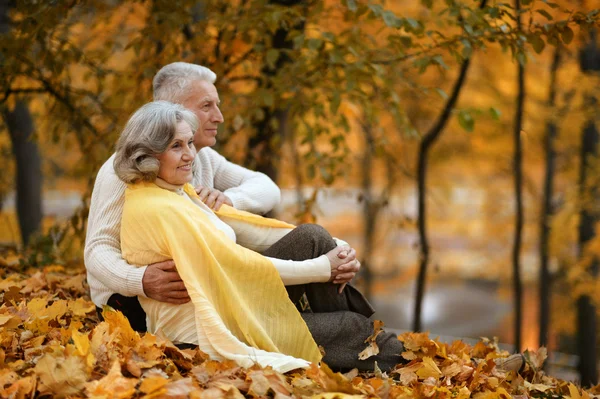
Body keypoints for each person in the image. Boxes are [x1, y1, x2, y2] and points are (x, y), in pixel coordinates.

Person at [112, 101, 405, 373]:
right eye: (176, 146)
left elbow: (251, 229)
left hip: (233, 298)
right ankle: (390, 351)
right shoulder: (160, 208)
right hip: (214, 327)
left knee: (311, 238)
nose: (190, 154)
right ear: (148, 155)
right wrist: (323, 269)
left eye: (189, 142)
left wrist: (340, 251)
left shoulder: (176, 191)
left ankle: (369, 341)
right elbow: (236, 264)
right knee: (351, 326)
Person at [85, 62, 297, 330]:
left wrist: (229, 199)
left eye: (216, 105)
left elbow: (267, 188)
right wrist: (140, 280)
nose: (218, 116)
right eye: (207, 106)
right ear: (173, 109)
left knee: (310, 240)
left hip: (201, 286)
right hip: (134, 304)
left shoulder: (201, 156)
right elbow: (97, 248)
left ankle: (354, 331)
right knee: (306, 282)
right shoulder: (126, 167)